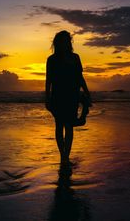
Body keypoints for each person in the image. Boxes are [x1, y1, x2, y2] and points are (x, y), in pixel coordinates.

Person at [45, 30, 92, 165]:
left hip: (72, 95)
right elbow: (49, 80)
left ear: (69, 42)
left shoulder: (75, 57)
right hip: (58, 95)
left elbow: (80, 77)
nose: (64, 43)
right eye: (62, 41)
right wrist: (47, 97)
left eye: (67, 41)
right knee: (59, 125)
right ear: (57, 43)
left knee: (69, 125)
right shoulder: (52, 59)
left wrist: (87, 92)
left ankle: (66, 156)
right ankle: (62, 155)